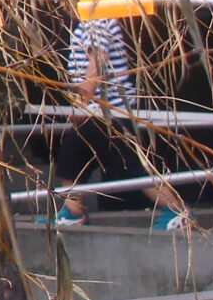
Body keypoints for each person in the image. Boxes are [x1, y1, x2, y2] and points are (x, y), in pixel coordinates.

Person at [55, 16, 190, 231]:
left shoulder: (97, 21)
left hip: (107, 113)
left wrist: (82, 102)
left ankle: (176, 210)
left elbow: (97, 63)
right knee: (71, 159)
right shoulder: (90, 22)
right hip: (95, 113)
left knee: (132, 167)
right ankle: (73, 212)